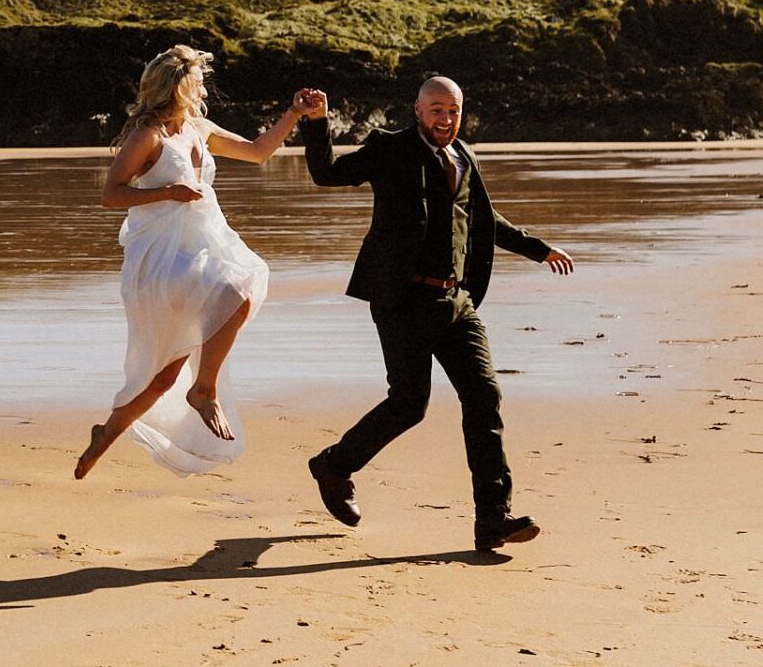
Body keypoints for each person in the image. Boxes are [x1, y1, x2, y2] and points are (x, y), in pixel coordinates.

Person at [299, 76, 575, 550]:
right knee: (409, 406)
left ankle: (494, 518)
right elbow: (327, 173)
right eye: (436, 110)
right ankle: (335, 465)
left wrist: (539, 248)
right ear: (418, 109)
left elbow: (483, 221)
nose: (445, 119)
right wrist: (318, 122)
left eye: (453, 111)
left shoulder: (465, 156)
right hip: (403, 302)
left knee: (484, 396)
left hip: (456, 302)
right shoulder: (390, 150)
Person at [75, 45, 320, 479]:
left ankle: (107, 433)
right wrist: (166, 193)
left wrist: (294, 114)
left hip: (201, 248)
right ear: (178, 87)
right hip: (159, 257)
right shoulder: (147, 135)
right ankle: (204, 390)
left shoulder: (198, 128)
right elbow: (111, 194)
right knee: (237, 289)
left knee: (167, 374)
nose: (205, 88)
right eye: (199, 81)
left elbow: (259, 151)